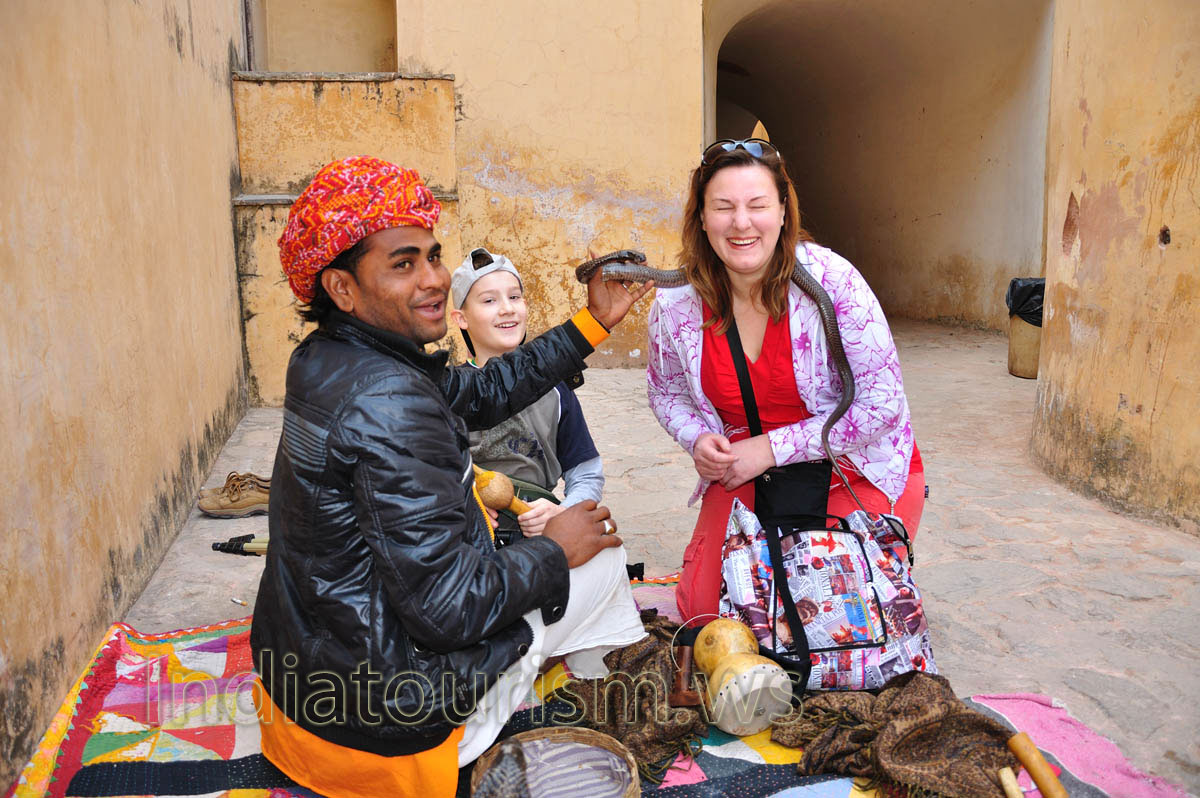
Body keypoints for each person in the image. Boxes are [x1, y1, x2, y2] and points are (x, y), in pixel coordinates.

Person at [249, 156, 652, 798]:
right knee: (599, 555)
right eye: (402, 264)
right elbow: (447, 610)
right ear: (342, 288)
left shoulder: (329, 356)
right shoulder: (390, 400)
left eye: (433, 256)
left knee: (547, 547)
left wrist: (591, 321)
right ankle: (604, 704)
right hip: (381, 729)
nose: (434, 279)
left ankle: (572, 689)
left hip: (300, 700)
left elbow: (485, 390)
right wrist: (555, 550)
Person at [645, 139, 925, 626]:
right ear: (702, 218)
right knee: (711, 615)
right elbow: (665, 392)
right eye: (723, 208)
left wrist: (770, 448)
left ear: (781, 212)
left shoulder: (832, 281)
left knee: (829, 616)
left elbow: (882, 405)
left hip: (849, 468)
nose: (741, 223)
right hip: (747, 471)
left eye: (757, 206)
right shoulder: (676, 305)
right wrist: (697, 438)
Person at [449, 246, 605, 539]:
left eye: (515, 297)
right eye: (489, 300)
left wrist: (563, 512)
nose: (507, 308)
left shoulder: (555, 390)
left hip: (538, 536)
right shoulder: (453, 392)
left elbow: (586, 474)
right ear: (461, 318)